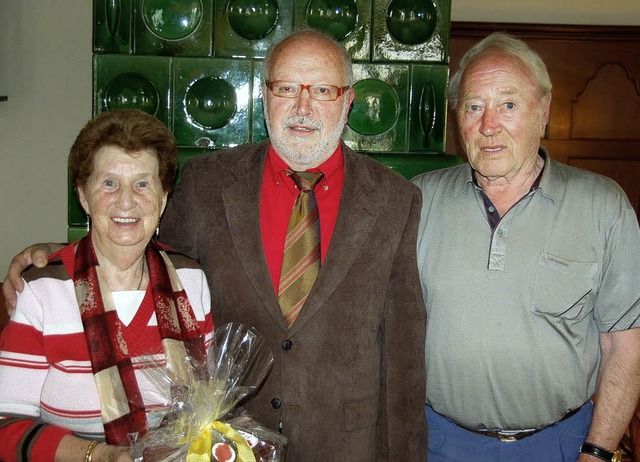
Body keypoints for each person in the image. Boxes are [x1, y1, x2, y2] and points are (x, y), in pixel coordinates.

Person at [3, 30, 428, 460]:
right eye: (286, 88)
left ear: (348, 100)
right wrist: (52, 255)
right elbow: (137, 237)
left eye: (321, 89)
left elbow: (403, 357)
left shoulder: (394, 199)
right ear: (265, 96)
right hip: (226, 445)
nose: (303, 107)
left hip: (346, 446)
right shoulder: (209, 183)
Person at [412, 32, 640, 461]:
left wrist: (597, 451)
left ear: (545, 111)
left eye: (509, 105)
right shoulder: (418, 200)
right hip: (437, 441)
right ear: (457, 116)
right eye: (474, 106)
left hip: (560, 444)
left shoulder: (602, 206)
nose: (489, 125)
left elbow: (625, 344)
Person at [0, 110, 214, 461]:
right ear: (84, 196)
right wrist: (96, 455)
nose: (126, 201)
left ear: (162, 199)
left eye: (143, 184)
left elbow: (207, 405)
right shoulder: (43, 290)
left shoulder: (192, 280)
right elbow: (6, 426)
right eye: (109, 183)